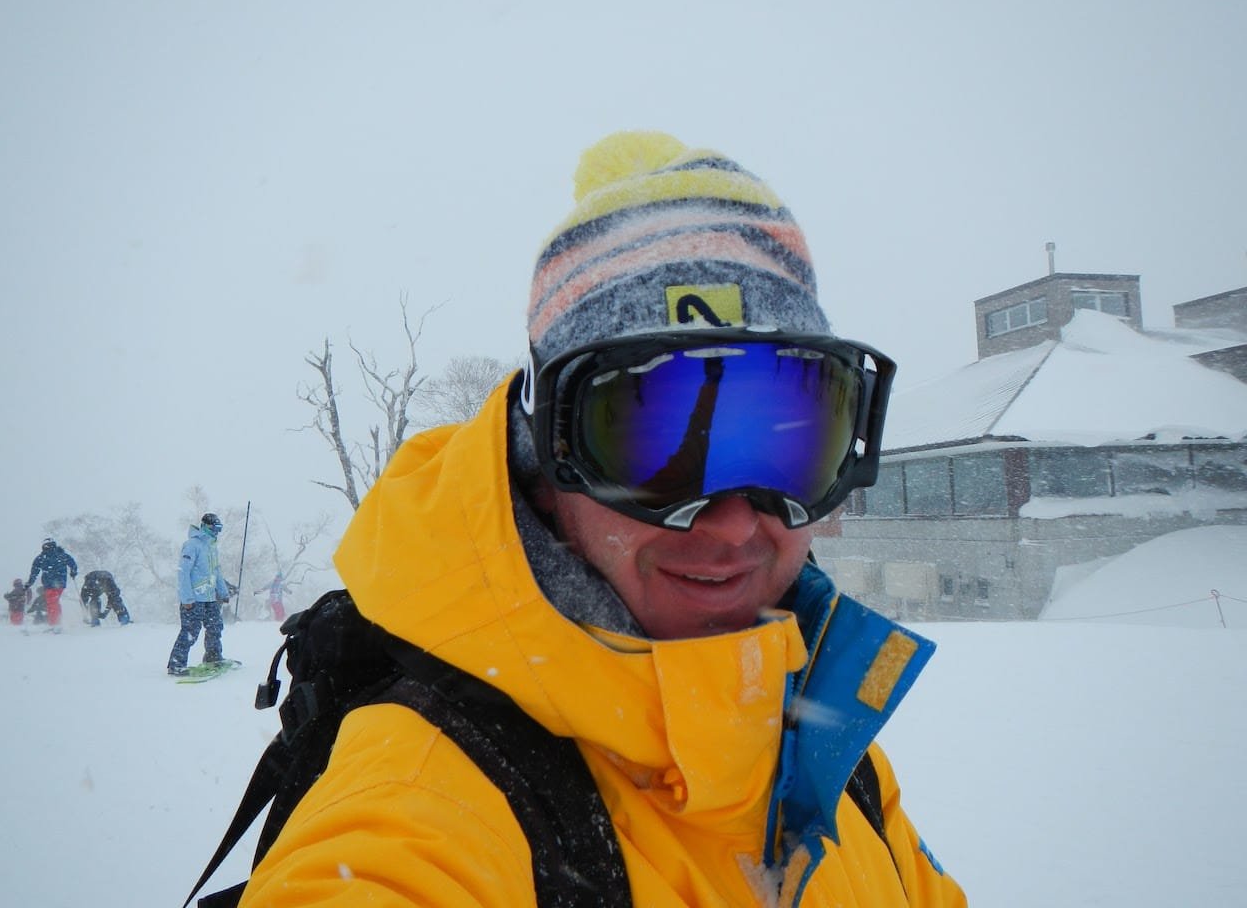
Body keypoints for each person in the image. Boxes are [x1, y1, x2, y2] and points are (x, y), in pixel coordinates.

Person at [240, 132, 966, 907]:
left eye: (780, 439)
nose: (729, 524)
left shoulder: (829, 751)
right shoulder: (431, 793)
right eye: (655, 444)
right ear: (547, 464)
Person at [167, 513, 233, 675]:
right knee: (190, 631)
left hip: (210, 598)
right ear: (204, 526)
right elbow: (183, 572)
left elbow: (216, 571)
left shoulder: (212, 547)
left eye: (219, 529)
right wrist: (187, 598)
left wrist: (223, 591)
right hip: (194, 599)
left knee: (215, 627)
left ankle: (213, 657)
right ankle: (176, 665)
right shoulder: (192, 545)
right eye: (214, 528)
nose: (217, 532)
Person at [23, 538, 77, 631]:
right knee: (54, 602)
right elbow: (72, 564)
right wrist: (73, 572)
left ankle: (55, 624)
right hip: (60, 583)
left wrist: (29, 583)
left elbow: (34, 572)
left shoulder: (41, 557)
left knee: (52, 603)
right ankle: (57, 622)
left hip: (50, 584)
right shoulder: (61, 555)